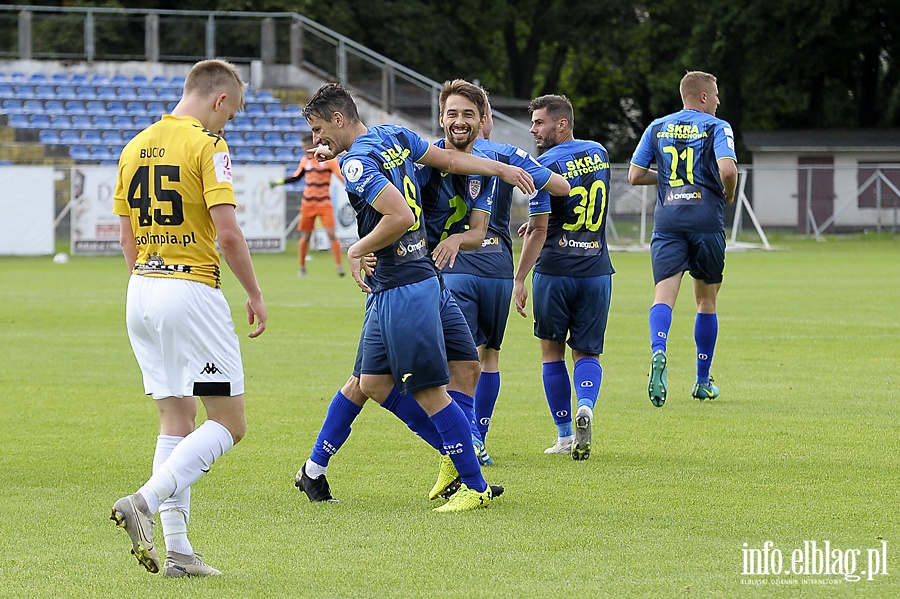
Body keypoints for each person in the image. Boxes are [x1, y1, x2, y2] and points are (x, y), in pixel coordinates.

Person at [297, 82, 534, 512]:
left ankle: (472, 483)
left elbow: (400, 215)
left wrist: (356, 248)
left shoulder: (355, 162)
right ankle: (315, 471)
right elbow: (448, 159)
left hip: (402, 289)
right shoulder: (392, 135)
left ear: (337, 119)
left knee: (440, 381)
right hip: (419, 279)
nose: (316, 141)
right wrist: (499, 169)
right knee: (371, 381)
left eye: (318, 130)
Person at [110, 59, 267, 577]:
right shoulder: (207, 144)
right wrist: (255, 293)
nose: (229, 126)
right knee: (229, 422)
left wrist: (149, 280)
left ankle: (177, 551)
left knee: (177, 419)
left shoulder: (134, 146)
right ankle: (145, 502)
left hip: (142, 292)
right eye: (233, 114)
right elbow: (227, 234)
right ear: (219, 100)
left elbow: (126, 236)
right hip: (190, 290)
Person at [464, 96, 570, 464]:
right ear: (486, 120)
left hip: (452, 265)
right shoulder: (508, 153)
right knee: (488, 357)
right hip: (495, 267)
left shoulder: (435, 152)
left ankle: (460, 442)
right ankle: (477, 438)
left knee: (455, 362)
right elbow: (560, 186)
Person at [627, 71, 738, 407]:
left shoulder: (657, 126)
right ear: (703, 96)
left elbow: (634, 175)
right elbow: (728, 170)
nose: (719, 100)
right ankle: (702, 381)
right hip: (705, 220)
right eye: (716, 94)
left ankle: (659, 350)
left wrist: (672, 181)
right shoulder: (717, 126)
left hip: (669, 221)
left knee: (664, 295)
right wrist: (727, 195)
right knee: (706, 300)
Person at [513, 94, 614, 461]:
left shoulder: (544, 165)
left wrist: (519, 278)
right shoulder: (600, 153)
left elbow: (540, 231)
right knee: (588, 352)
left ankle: (565, 435)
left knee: (551, 352)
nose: (533, 129)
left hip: (555, 271)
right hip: (596, 270)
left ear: (562, 123)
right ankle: (585, 404)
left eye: (539, 122)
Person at [270, 134, 346, 277]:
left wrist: (352, 187)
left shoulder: (329, 161)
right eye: (303, 147)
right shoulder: (305, 161)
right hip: (308, 203)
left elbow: (340, 177)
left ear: (313, 146)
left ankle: (339, 266)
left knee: (331, 234)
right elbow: (296, 177)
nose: (304, 149)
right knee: (305, 236)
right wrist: (279, 182)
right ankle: (302, 267)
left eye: (306, 147)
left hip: (324, 202)